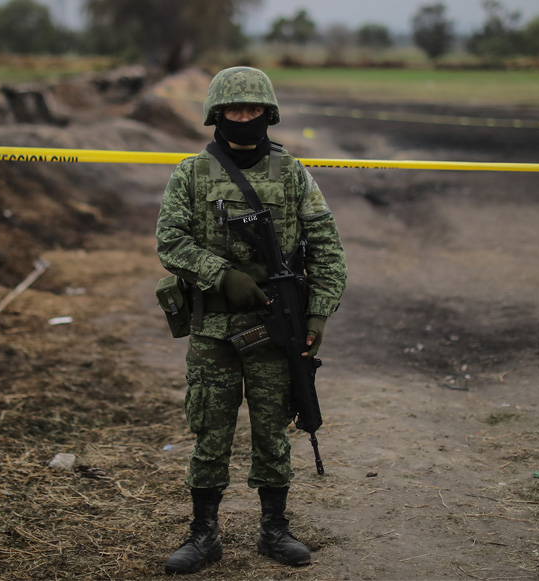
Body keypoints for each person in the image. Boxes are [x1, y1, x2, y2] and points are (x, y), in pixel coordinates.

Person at [155, 66, 348, 575]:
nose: (243, 118)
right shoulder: (190, 174)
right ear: (216, 115)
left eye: (252, 109)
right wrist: (221, 275)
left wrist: (319, 313)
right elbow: (170, 242)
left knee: (272, 431)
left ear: (268, 113)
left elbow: (327, 247)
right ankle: (203, 535)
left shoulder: (293, 174)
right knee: (210, 431)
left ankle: (275, 528)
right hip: (214, 329)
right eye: (233, 110)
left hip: (274, 327)